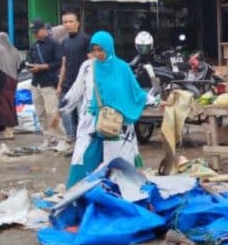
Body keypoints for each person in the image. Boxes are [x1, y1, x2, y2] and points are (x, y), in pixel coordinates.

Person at [60, 31, 146, 186]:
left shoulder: (122, 68)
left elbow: (136, 92)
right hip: (91, 123)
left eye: (101, 50)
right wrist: (62, 106)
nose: (97, 54)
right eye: (94, 50)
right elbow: (76, 90)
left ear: (109, 48)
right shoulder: (87, 67)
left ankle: (117, 195)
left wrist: (157, 101)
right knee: (84, 159)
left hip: (117, 125)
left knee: (118, 166)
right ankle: (78, 196)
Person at [28, 18, 67, 151]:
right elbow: (30, 61)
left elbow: (59, 63)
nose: (35, 34)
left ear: (44, 29)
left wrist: (43, 67)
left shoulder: (54, 44)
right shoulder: (34, 46)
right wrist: (31, 67)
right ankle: (48, 139)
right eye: (33, 31)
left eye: (37, 31)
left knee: (52, 112)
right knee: (40, 113)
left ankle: (62, 139)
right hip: (36, 83)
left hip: (48, 83)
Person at [57, 10, 91, 142]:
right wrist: (59, 85)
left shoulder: (85, 39)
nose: (68, 24)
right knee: (67, 116)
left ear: (77, 23)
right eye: (65, 22)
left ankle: (82, 142)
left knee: (82, 116)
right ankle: (73, 141)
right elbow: (64, 65)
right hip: (67, 85)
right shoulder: (64, 42)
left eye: (71, 21)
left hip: (82, 86)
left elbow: (91, 62)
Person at [0, 32, 21, 138]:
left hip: (0, 81)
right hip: (13, 80)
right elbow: (20, 66)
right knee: (10, 103)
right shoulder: (14, 50)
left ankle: (8, 131)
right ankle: (9, 130)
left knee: (3, 105)